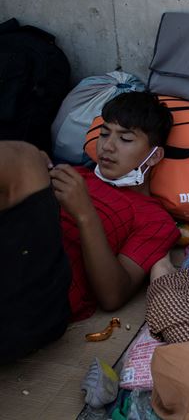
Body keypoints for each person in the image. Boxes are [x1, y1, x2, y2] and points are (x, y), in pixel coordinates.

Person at [1, 91, 179, 363]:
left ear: (154, 157)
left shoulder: (155, 219)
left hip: (38, 304)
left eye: (125, 138)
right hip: (12, 259)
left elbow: (112, 295)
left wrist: (84, 213)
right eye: (105, 133)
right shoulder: (77, 175)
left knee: (24, 158)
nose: (107, 147)